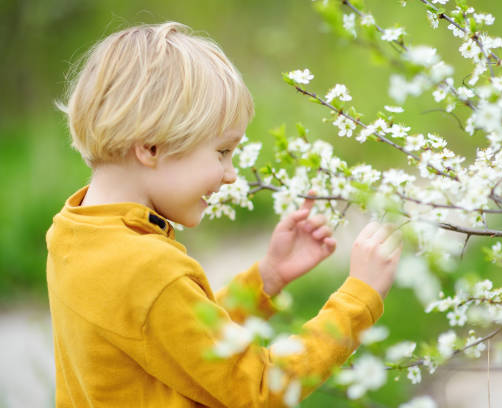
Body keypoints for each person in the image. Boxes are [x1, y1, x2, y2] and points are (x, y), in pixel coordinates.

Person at [47, 21, 403, 408]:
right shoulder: (147, 267)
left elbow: (176, 337)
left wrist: (265, 280)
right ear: (151, 147)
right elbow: (260, 389)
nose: (231, 175)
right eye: (222, 152)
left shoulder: (75, 232)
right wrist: (359, 299)